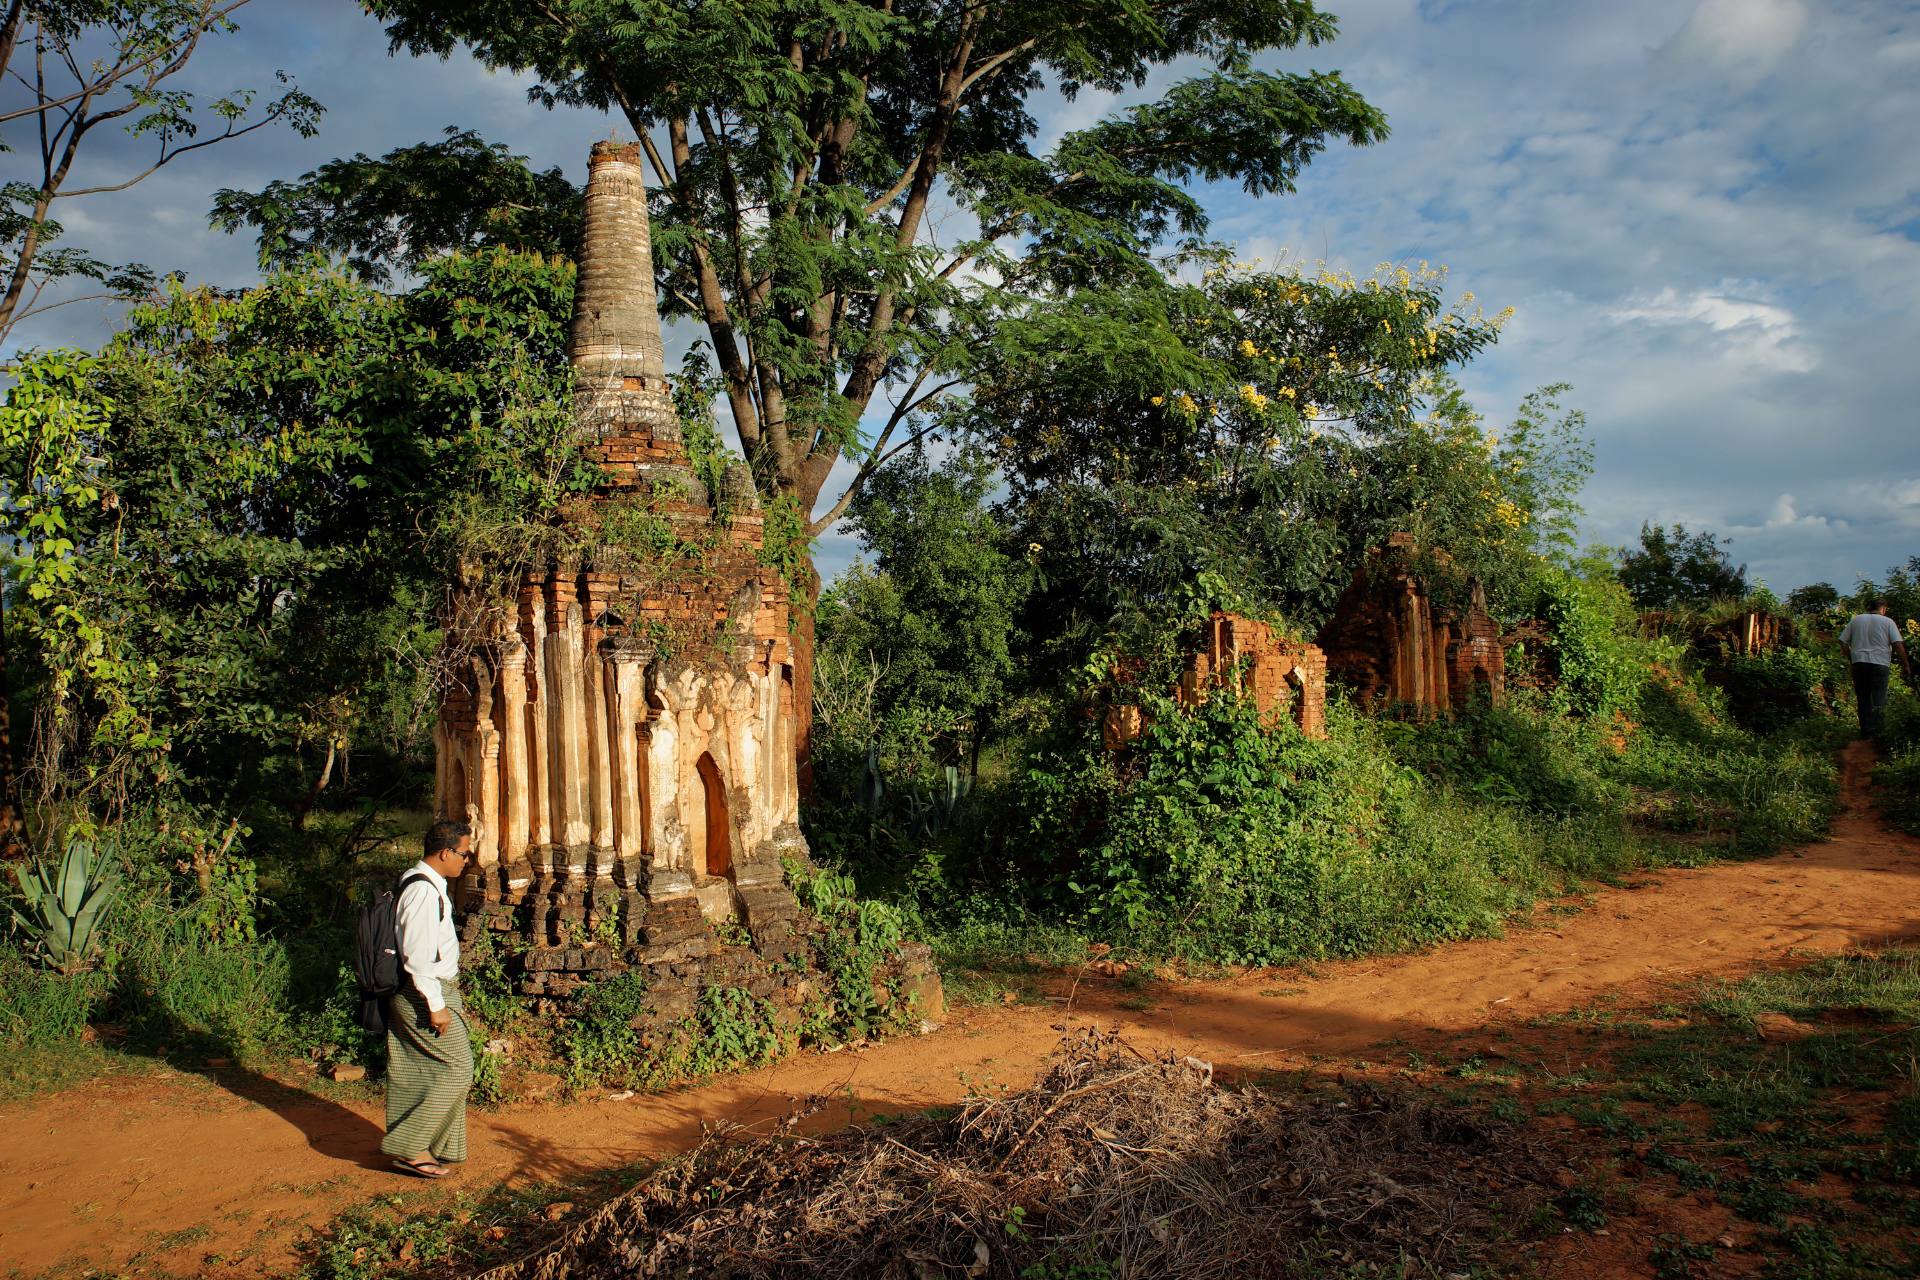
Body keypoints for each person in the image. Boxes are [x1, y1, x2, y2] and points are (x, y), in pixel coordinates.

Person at [382, 819, 474, 1179]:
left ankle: (436, 1147)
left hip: (426, 988)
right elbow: (417, 956)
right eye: (464, 854)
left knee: (415, 1070)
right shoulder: (422, 890)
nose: (466, 861)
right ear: (445, 852)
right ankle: (408, 1148)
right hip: (422, 991)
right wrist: (435, 1006)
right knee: (457, 1067)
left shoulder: (425, 883)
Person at [1837, 598, 1912, 741]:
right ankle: (1878, 734)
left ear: (1869, 608)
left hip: (1859, 663)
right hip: (1880, 664)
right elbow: (1897, 645)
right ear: (1883, 609)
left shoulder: (1856, 620)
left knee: (1863, 698)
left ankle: (1866, 734)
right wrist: (1906, 665)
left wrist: (1851, 657)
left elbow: (1842, 641)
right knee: (1879, 699)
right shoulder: (1888, 622)